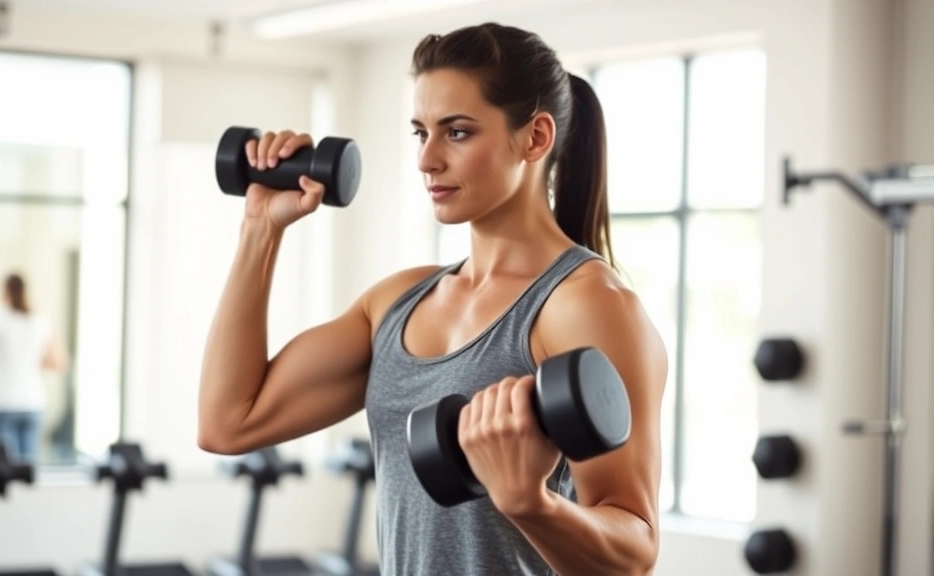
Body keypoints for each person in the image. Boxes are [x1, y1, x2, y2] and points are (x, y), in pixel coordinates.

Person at [198, 22, 667, 576]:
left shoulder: (585, 304)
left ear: (536, 138)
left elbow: (633, 552)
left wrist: (530, 503)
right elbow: (229, 423)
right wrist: (261, 228)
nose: (427, 160)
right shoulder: (398, 302)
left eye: (458, 132)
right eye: (421, 132)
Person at [0, 273, 69, 462]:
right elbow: (60, 362)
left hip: (2, 402)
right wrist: (30, 362)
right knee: (26, 471)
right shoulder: (41, 320)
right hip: (32, 402)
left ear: (4, 291)